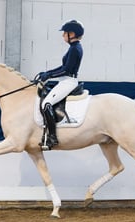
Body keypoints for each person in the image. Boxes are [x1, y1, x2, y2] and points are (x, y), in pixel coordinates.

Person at [38, 19, 84, 149]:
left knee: (46, 104)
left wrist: (49, 76)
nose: (63, 35)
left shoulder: (75, 49)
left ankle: (52, 137)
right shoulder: (73, 48)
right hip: (65, 80)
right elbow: (63, 67)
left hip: (69, 81)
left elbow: (66, 70)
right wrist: (48, 72)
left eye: (65, 33)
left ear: (72, 34)